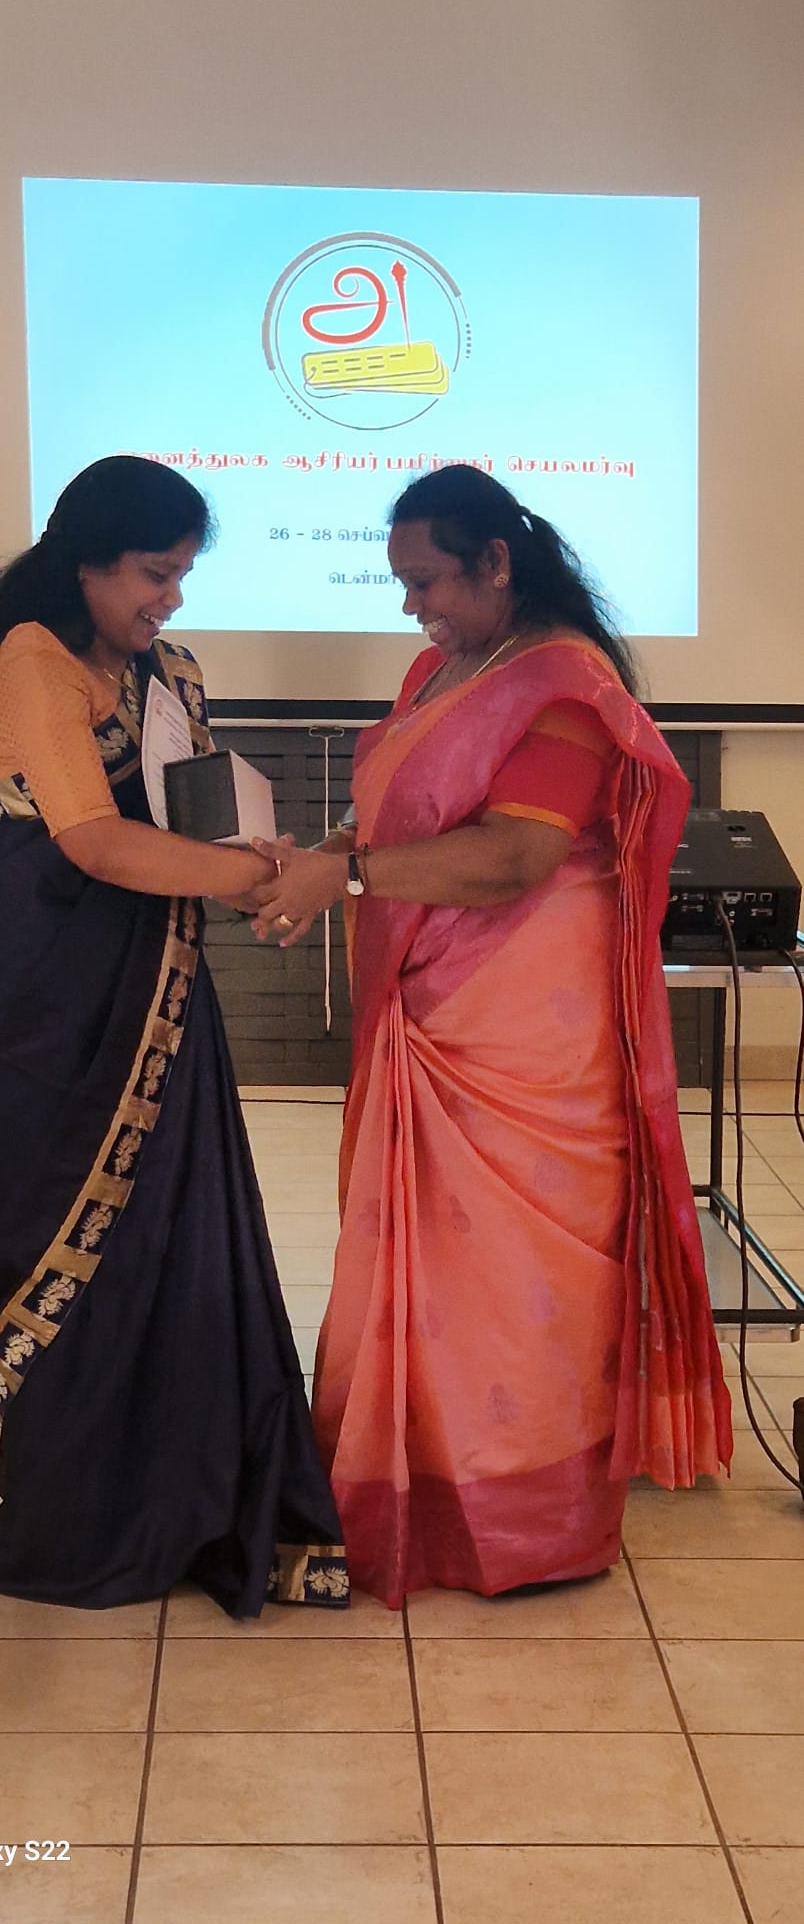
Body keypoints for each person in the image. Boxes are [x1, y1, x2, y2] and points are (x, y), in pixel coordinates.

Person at [253, 464, 732, 1608]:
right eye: (403, 582)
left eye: (426, 581)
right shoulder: (442, 669)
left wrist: (348, 875)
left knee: (516, 1274)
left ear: (497, 562)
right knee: (434, 1263)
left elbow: (519, 853)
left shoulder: (565, 683)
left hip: (525, 1026)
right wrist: (324, 852)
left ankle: (527, 1514)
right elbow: (394, 812)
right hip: (432, 1002)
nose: (411, 606)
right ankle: (411, 1477)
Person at [0, 455, 348, 1616]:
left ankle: (189, 1499)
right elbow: (90, 841)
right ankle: (84, 1524)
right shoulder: (32, 661)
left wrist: (263, 860)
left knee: (179, 1230)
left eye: (181, 575)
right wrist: (254, 881)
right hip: (54, 1003)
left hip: (158, 988)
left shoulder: (166, 671)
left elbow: (195, 814)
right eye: (152, 573)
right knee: (71, 1239)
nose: (169, 599)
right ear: (85, 560)